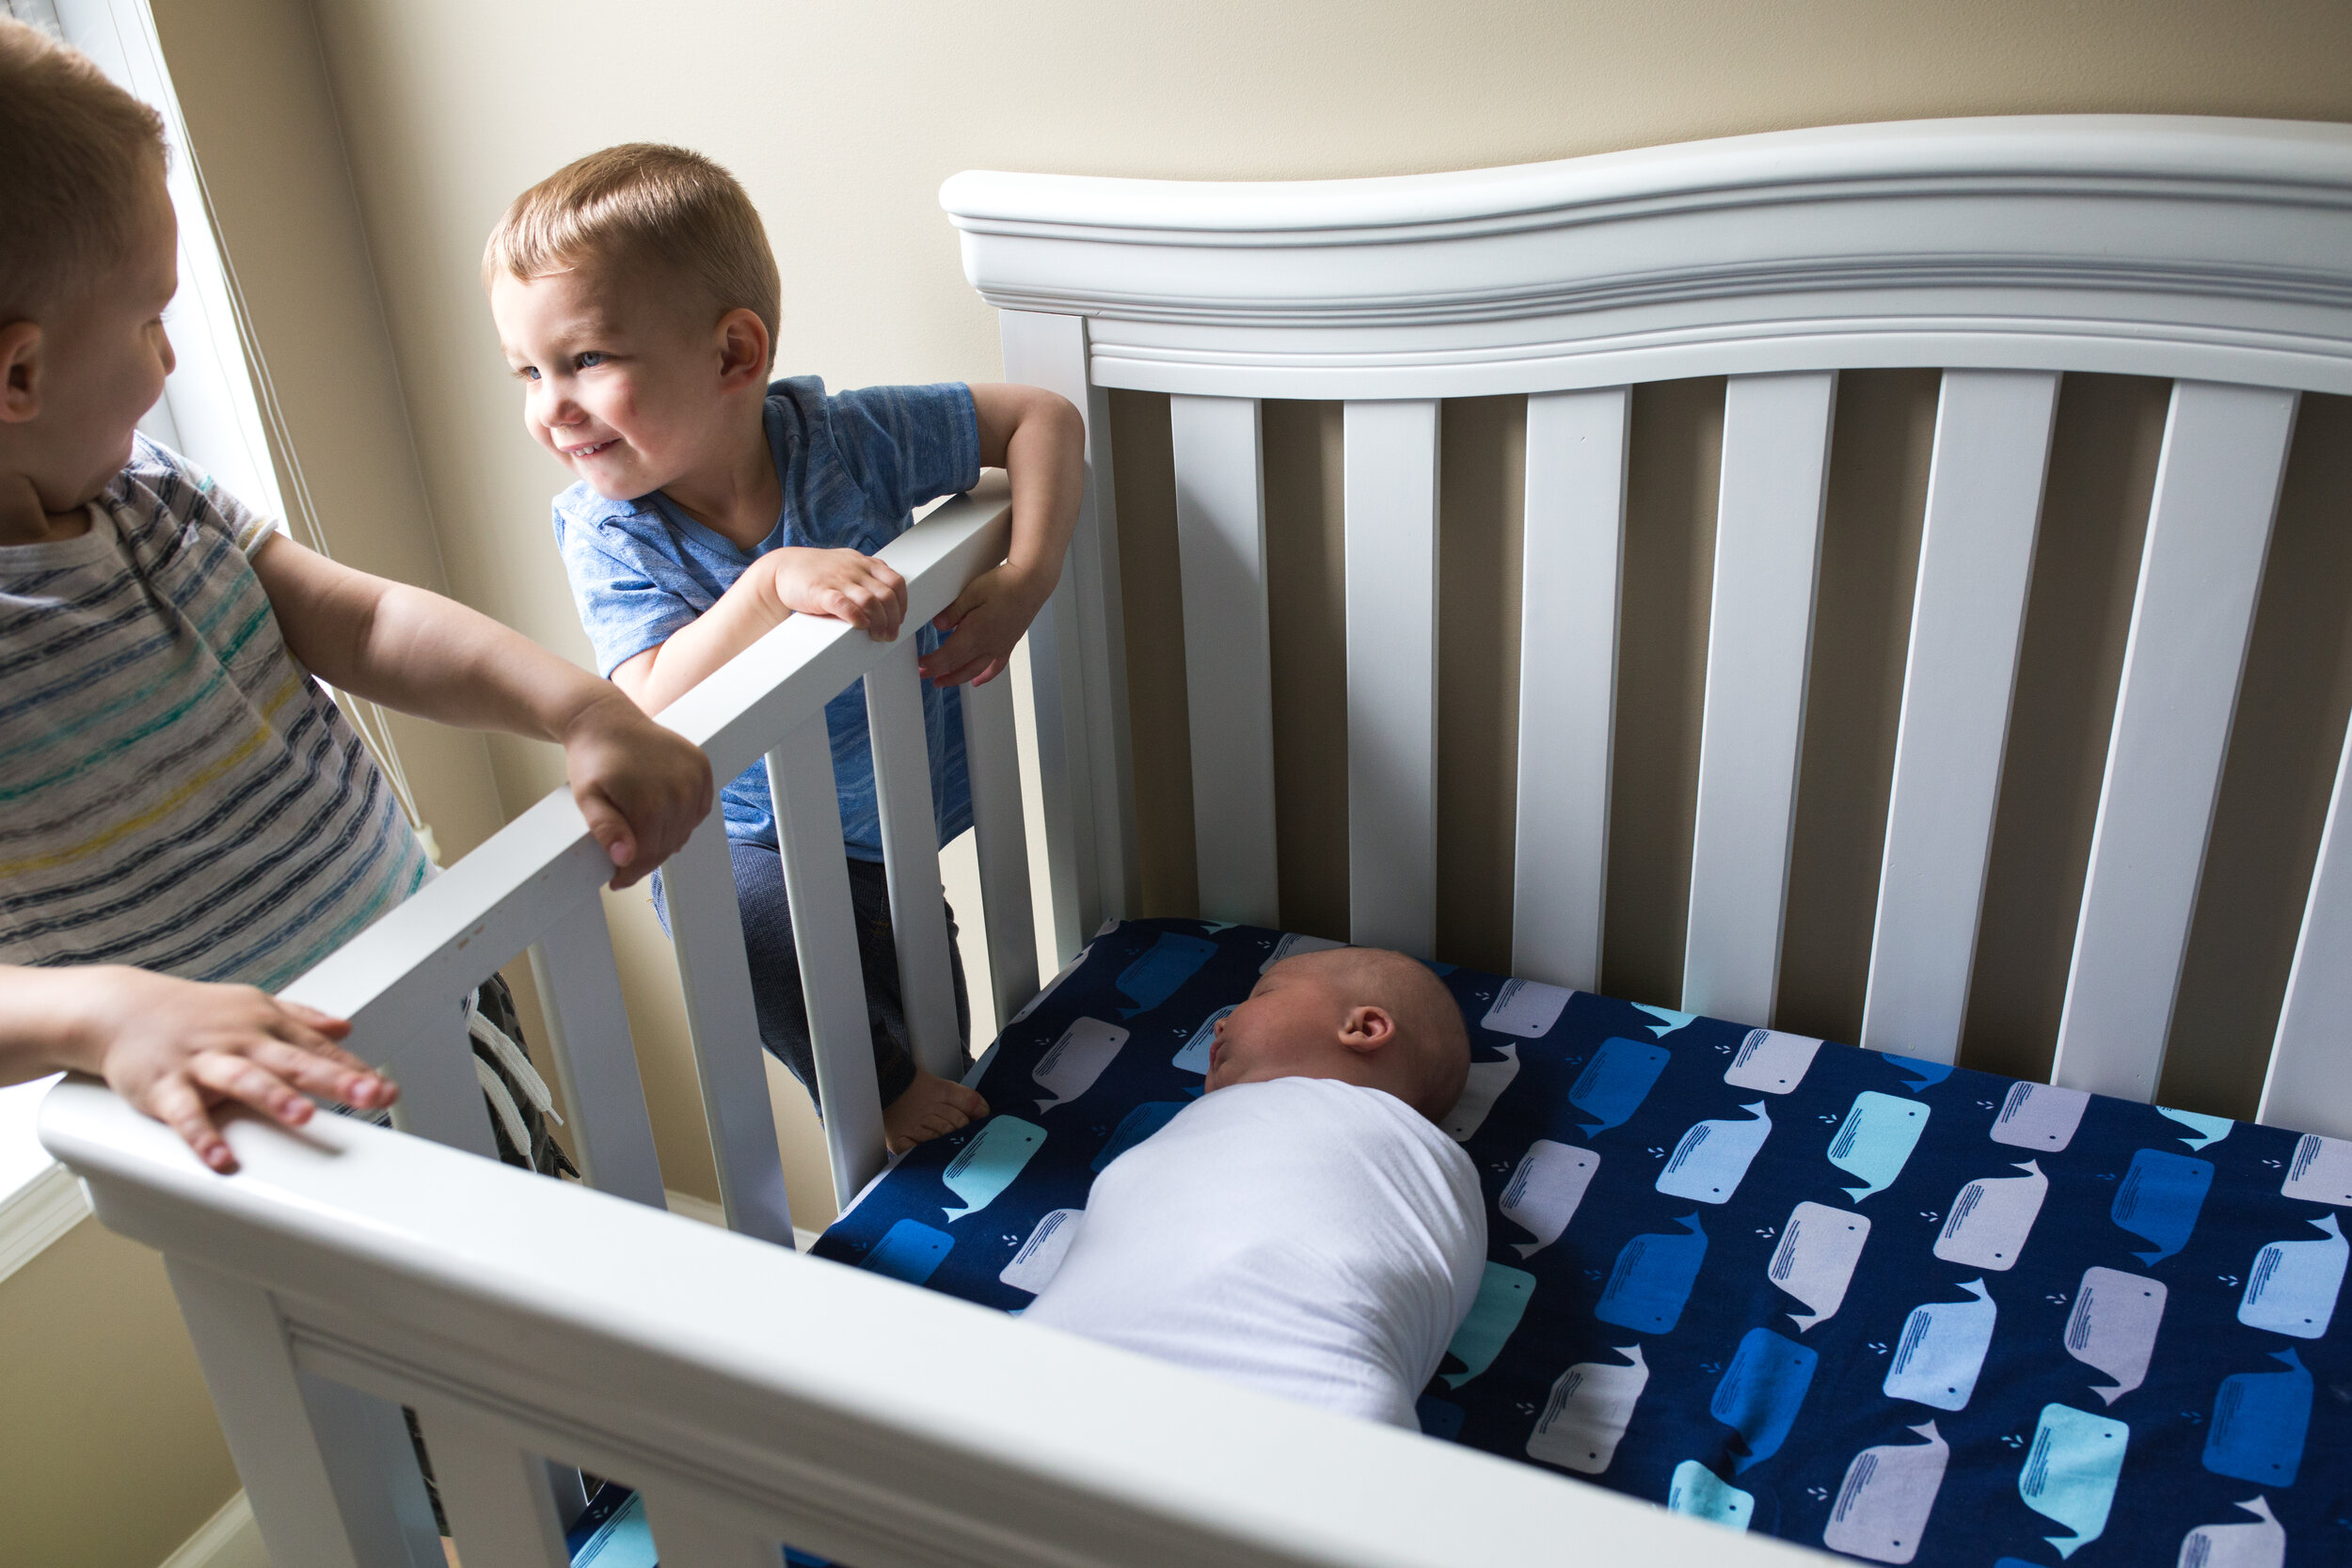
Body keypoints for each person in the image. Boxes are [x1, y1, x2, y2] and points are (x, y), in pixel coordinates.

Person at [0, 19, 714, 1175]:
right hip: (270, 1118)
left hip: (431, 975)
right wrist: (104, 1014)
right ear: (19, 374)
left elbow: (367, 621)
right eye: (148, 319)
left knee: (541, 1223)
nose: (167, 361)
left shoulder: (149, 492)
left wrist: (580, 709)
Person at [485, 144, 1086, 1152]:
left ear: (732, 355)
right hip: (752, 833)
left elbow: (1043, 420)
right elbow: (649, 698)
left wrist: (1025, 576)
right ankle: (880, 1091)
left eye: (585, 360)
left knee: (934, 1018)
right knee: (736, 916)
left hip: (888, 824)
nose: (551, 406)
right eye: (529, 372)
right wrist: (766, 588)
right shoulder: (610, 529)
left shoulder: (846, 440)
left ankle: (921, 1110)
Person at [1025, 947, 1487, 1428]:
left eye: (1262, 995)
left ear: (1363, 1028)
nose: (1220, 1023)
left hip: (1302, 1371)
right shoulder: (1213, 1121)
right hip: (1077, 1356)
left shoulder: (1407, 1149)